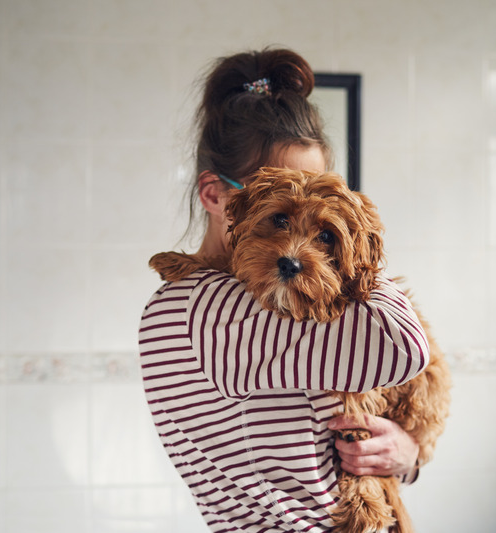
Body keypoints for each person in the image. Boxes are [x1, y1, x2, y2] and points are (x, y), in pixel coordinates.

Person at [140, 48, 427, 532]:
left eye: (322, 199)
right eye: (279, 207)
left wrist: (405, 455)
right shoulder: (209, 307)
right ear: (216, 194)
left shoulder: (243, 303)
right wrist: (360, 244)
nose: (300, 243)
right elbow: (403, 346)